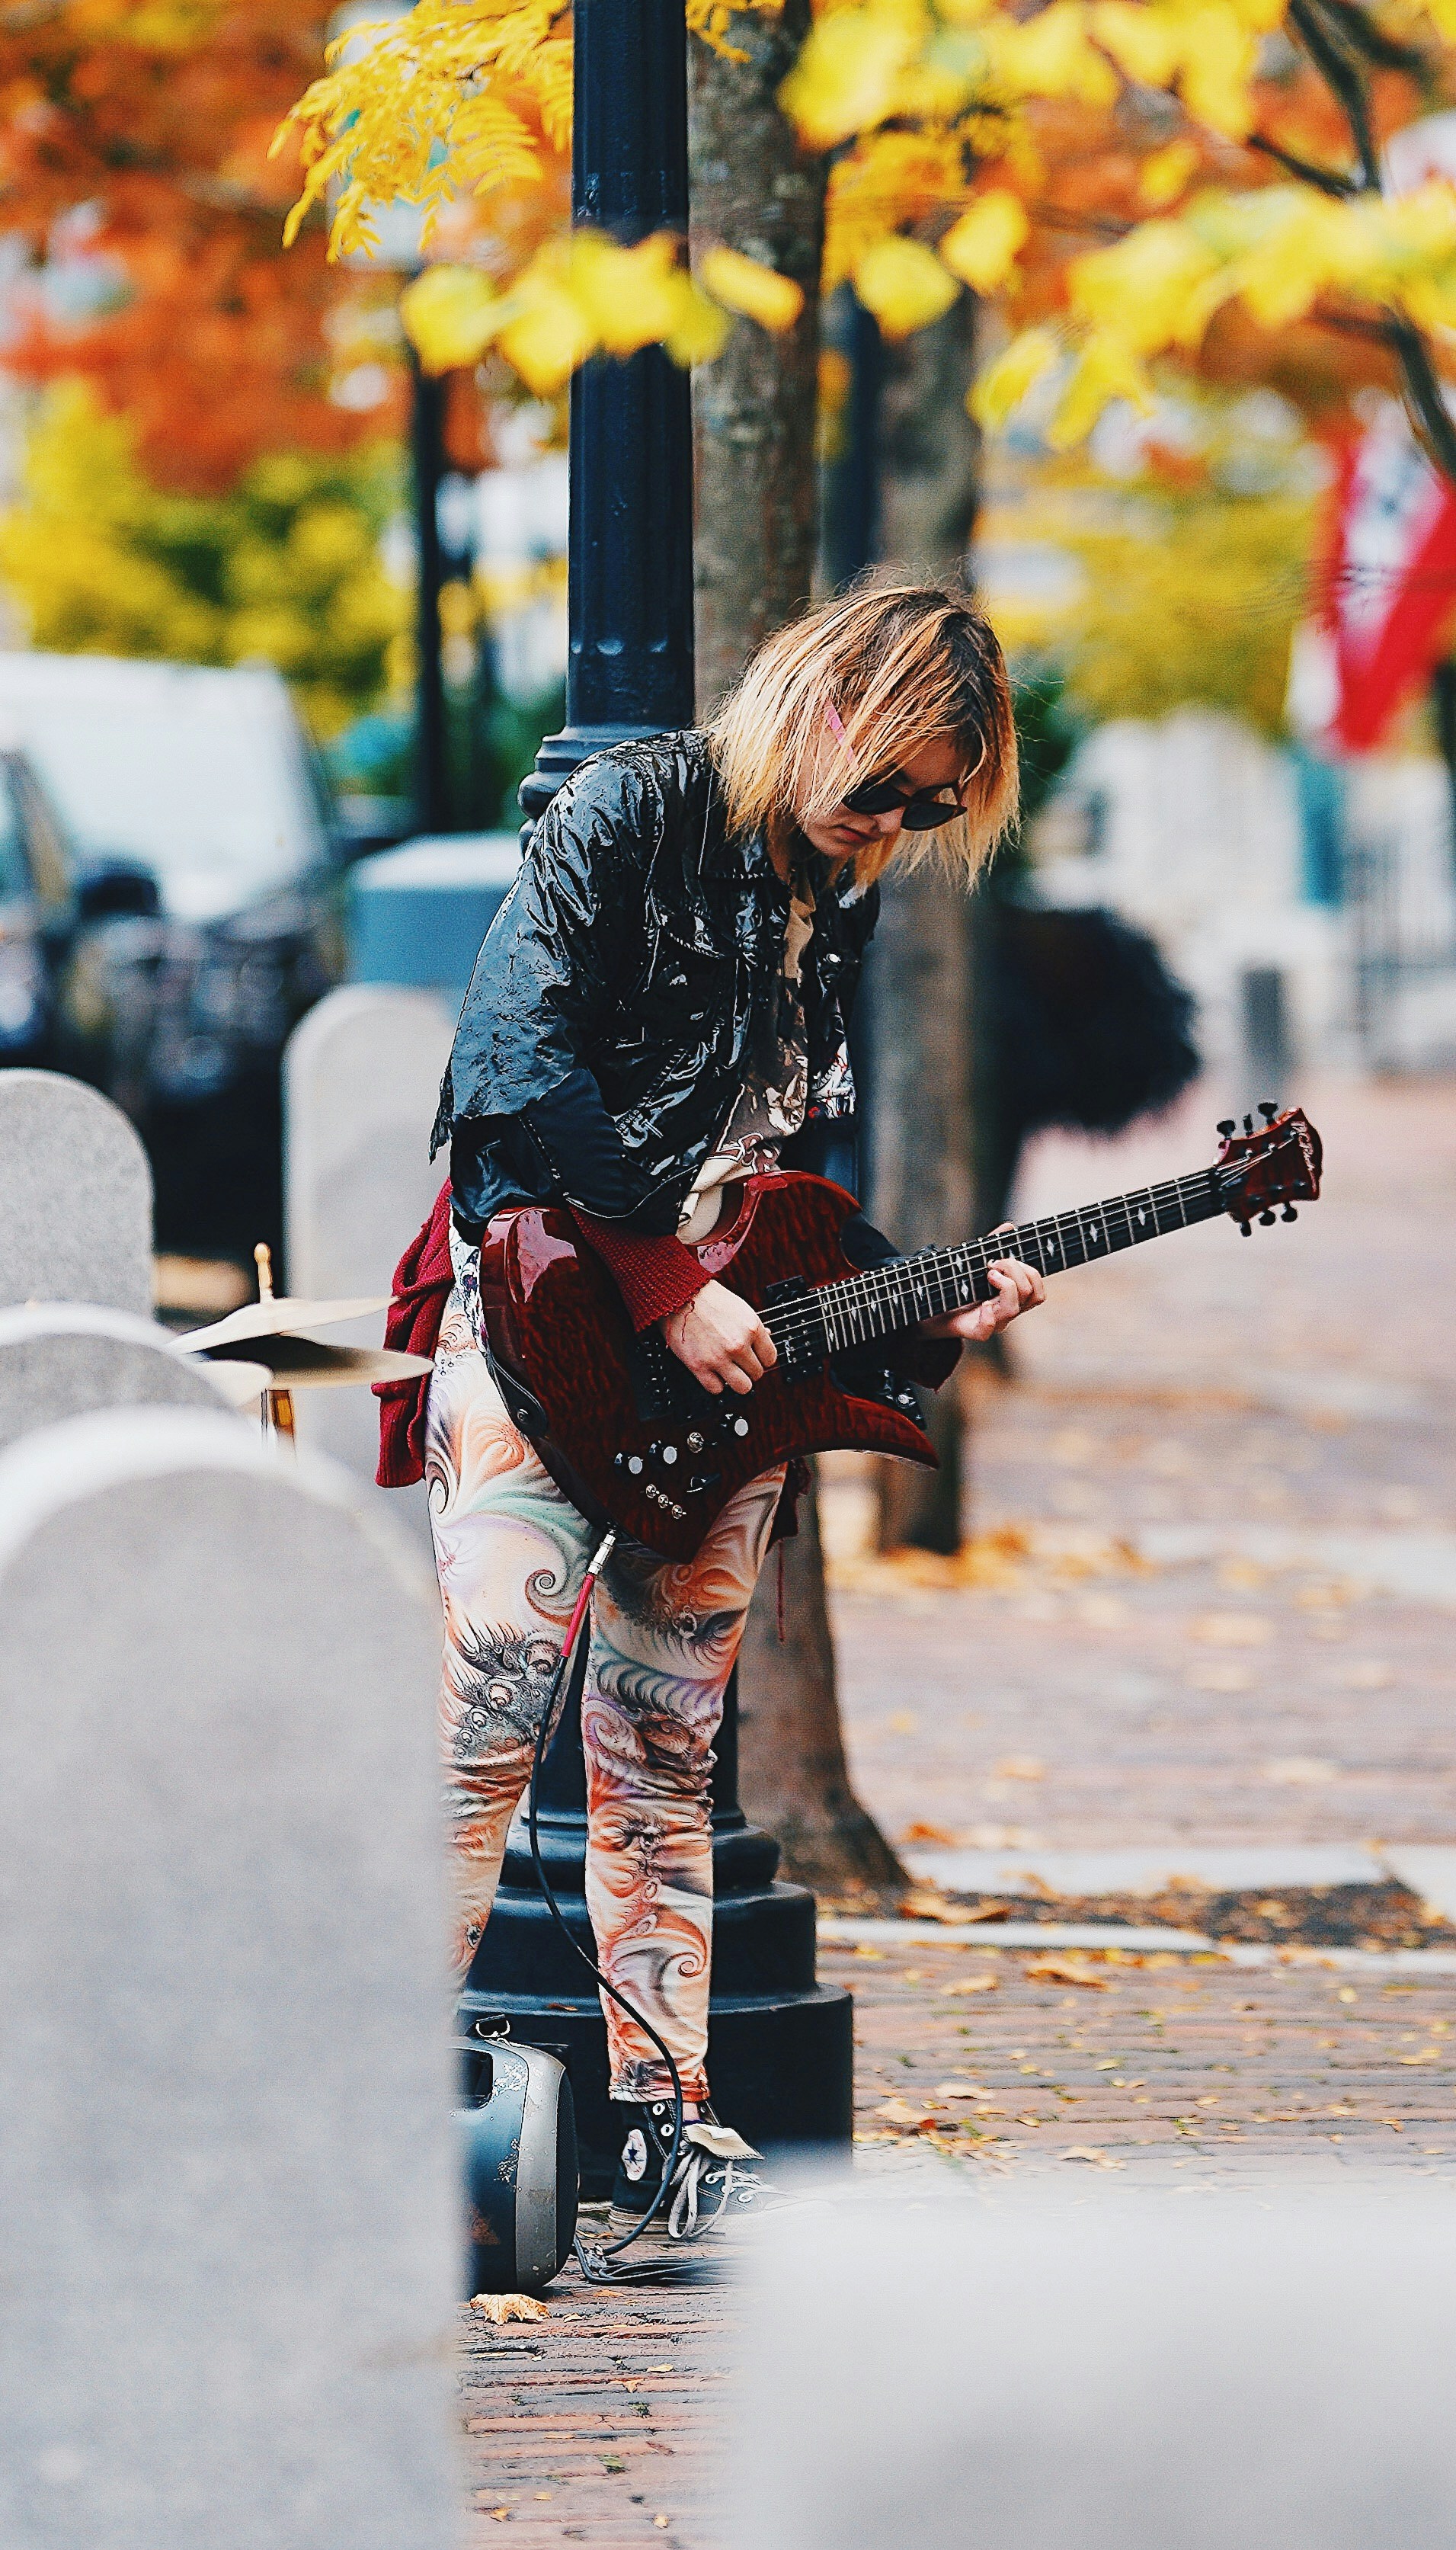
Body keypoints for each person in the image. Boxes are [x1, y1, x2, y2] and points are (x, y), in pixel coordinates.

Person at [406, 581, 1045, 2251]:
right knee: (483, 1701)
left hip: (707, 1379)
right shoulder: (636, 804)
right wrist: (652, 1273)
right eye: (891, 777)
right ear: (822, 696)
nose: (896, 820)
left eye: (928, 805)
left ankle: (665, 2119)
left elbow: (773, 1178)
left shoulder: (826, 889)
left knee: (663, 1742)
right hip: (546, 1324)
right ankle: (367, 2082)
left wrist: (918, 1296)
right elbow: (510, 1064)